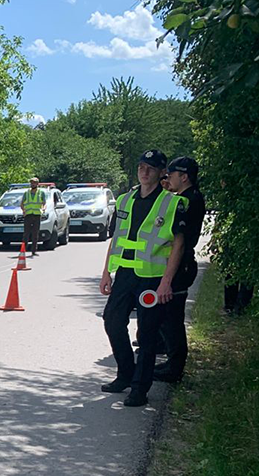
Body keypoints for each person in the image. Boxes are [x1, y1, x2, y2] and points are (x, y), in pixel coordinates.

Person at [99, 150, 188, 407]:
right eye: (141, 166)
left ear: (162, 172)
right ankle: (126, 373)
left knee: (147, 335)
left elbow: (177, 246)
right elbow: (116, 238)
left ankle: (139, 389)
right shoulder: (125, 200)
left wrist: (166, 282)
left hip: (153, 277)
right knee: (112, 321)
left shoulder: (173, 203)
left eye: (150, 167)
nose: (144, 171)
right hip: (125, 274)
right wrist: (106, 272)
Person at [154, 157, 206, 383]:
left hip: (180, 264)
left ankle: (174, 368)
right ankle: (171, 360)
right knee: (168, 316)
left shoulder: (184, 201)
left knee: (172, 318)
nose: (167, 179)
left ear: (183, 176)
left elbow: (180, 239)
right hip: (182, 263)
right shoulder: (188, 197)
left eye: (171, 175)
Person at [22, 177, 45, 256]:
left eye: (34, 183)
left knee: (35, 233)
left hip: (37, 215)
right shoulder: (26, 193)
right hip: (28, 215)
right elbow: (22, 203)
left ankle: (34, 250)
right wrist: (23, 210)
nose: (32, 184)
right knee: (26, 233)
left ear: (37, 184)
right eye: (31, 183)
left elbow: (44, 203)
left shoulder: (41, 193)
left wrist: (43, 209)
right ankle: (23, 250)